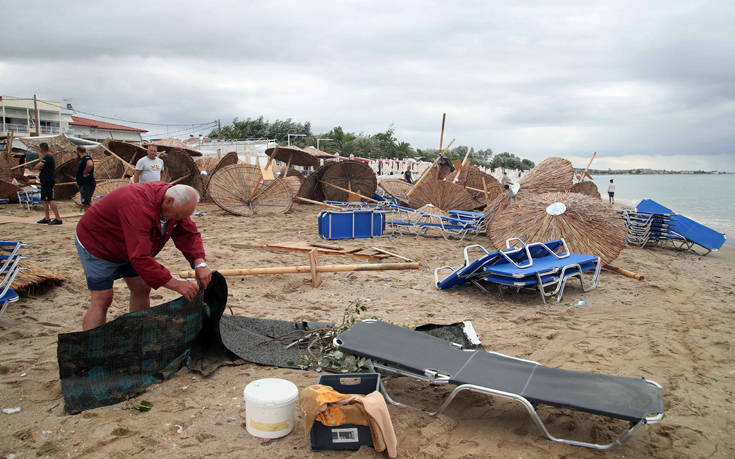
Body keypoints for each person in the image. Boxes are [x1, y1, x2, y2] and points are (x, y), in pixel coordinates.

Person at [75, 182, 212, 330]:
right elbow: (140, 257)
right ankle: (91, 347)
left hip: (130, 246)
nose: (179, 219)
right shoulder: (137, 205)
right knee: (103, 298)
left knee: (142, 287)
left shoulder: (176, 204)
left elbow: (188, 233)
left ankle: (138, 333)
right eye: (178, 216)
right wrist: (176, 284)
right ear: (168, 201)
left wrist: (200, 263)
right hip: (98, 244)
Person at [33, 142, 62, 225]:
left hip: (48, 181)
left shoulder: (48, 157)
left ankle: (58, 218)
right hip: (44, 181)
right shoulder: (47, 157)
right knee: (44, 200)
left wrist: (35, 166)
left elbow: (37, 166)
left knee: (49, 199)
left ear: (41, 149)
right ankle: (47, 217)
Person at [75, 146, 95, 212]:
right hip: (83, 184)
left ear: (78, 151)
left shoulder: (86, 158)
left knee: (86, 203)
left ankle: (89, 218)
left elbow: (90, 164)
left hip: (87, 184)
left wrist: (85, 172)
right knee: (85, 203)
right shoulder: (82, 159)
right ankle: (88, 217)